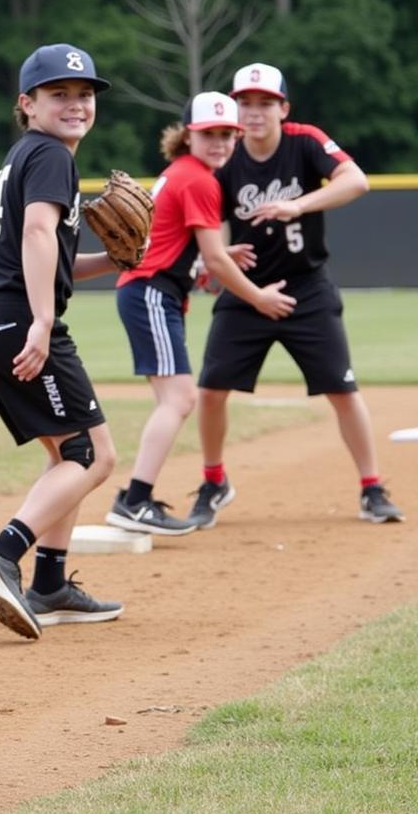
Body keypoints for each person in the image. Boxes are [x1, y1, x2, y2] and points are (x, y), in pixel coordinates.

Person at [189, 62, 404, 527]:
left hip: (306, 288)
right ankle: (213, 480)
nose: (253, 112)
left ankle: (372, 488)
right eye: (245, 102)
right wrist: (216, 260)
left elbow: (356, 180)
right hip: (247, 292)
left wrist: (298, 203)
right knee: (210, 391)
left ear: (283, 108)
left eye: (265, 103)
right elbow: (214, 224)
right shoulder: (225, 156)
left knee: (343, 390)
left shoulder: (304, 142)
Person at [0, 43, 125, 640]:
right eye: (59, 94)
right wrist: (42, 320)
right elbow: (35, 232)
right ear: (27, 104)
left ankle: (49, 585)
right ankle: (5, 551)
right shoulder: (51, 155)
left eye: (84, 94)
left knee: (70, 455)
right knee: (91, 456)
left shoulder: (27, 154)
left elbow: (51, 253)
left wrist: (112, 261)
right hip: (18, 317)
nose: (76, 104)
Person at [105, 92, 297, 535]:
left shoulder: (184, 173)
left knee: (172, 400)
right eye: (209, 133)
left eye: (227, 134)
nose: (220, 142)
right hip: (151, 293)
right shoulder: (200, 180)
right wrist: (257, 297)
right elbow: (214, 263)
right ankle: (134, 500)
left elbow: (190, 251)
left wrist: (210, 257)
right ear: (188, 135)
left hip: (152, 291)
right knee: (180, 398)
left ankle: (136, 499)